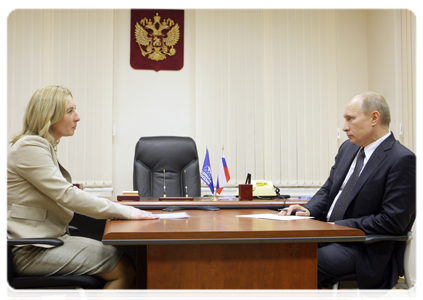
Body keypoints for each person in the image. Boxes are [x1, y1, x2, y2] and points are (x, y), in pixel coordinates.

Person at [5, 86, 160, 300]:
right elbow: (66, 195)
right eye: (70, 111)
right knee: (124, 269)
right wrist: (124, 211)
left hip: (45, 242)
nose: (77, 117)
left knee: (123, 259)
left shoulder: (39, 146)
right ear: (48, 116)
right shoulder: (30, 147)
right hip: (30, 250)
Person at [279, 91, 420, 299]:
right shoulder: (348, 148)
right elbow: (328, 190)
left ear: (374, 118)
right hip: (330, 236)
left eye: (350, 119)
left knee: (300, 263)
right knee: (277, 252)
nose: (344, 127)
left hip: (366, 249)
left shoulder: (402, 160)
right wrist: (308, 209)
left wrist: (339, 227)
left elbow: (392, 221)